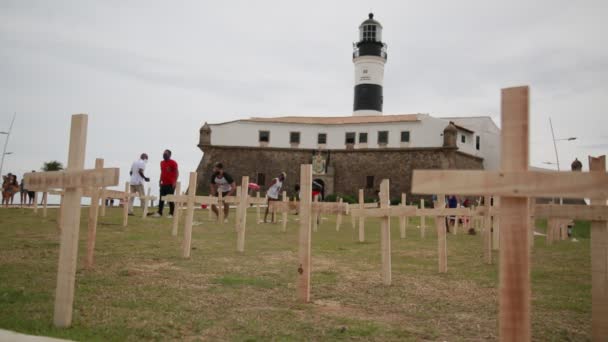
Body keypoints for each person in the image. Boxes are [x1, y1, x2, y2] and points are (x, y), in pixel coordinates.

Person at [155, 149, 179, 218]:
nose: (164, 155)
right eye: (163, 153)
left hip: (171, 184)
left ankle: (171, 213)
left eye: (166, 154)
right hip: (163, 183)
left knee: (170, 199)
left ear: (169, 155)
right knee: (161, 198)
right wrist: (160, 180)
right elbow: (162, 172)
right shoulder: (161, 163)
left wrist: (175, 181)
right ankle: (159, 212)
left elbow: (177, 172)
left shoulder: (173, 163)